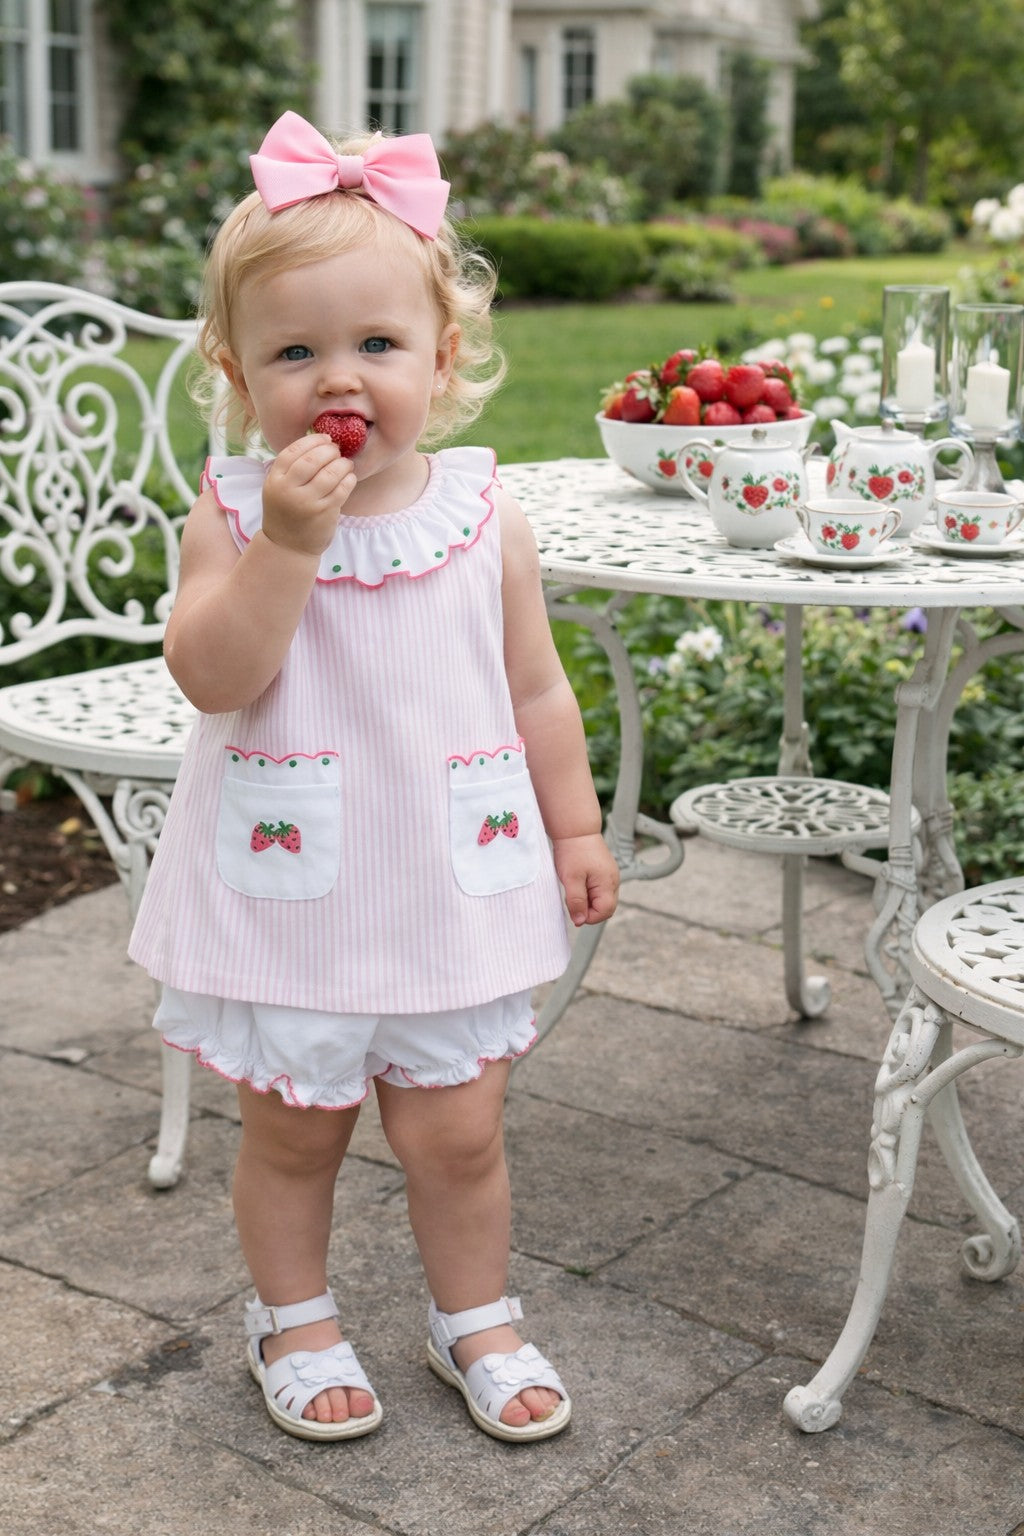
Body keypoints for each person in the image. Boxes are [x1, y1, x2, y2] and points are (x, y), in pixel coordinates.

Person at [129, 111, 619, 1446]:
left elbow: (534, 687)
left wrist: (572, 822)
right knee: (297, 1136)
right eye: (296, 351)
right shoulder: (235, 513)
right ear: (237, 372)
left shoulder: (482, 514)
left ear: (443, 357)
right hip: (296, 894)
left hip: (448, 883)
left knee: (458, 1138)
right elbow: (215, 676)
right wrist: (290, 544)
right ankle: (292, 1314)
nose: (337, 378)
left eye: (377, 345)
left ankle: (476, 1317)